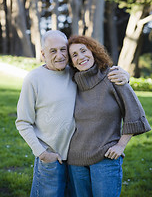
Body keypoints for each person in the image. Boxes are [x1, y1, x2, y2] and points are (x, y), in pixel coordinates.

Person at [16, 30, 130, 197]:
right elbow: (23, 122)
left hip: (76, 158)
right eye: (53, 51)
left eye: (63, 49)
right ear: (43, 54)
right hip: (51, 157)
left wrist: (125, 75)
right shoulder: (33, 79)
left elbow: (100, 75)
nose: (60, 55)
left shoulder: (74, 73)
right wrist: (42, 153)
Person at [67, 35, 151, 197]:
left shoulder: (112, 77)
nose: (80, 57)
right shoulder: (70, 84)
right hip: (75, 161)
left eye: (83, 50)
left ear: (93, 51)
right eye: (74, 55)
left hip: (105, 158)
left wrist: (120, 146)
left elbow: (135, 113)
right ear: (71, 62)